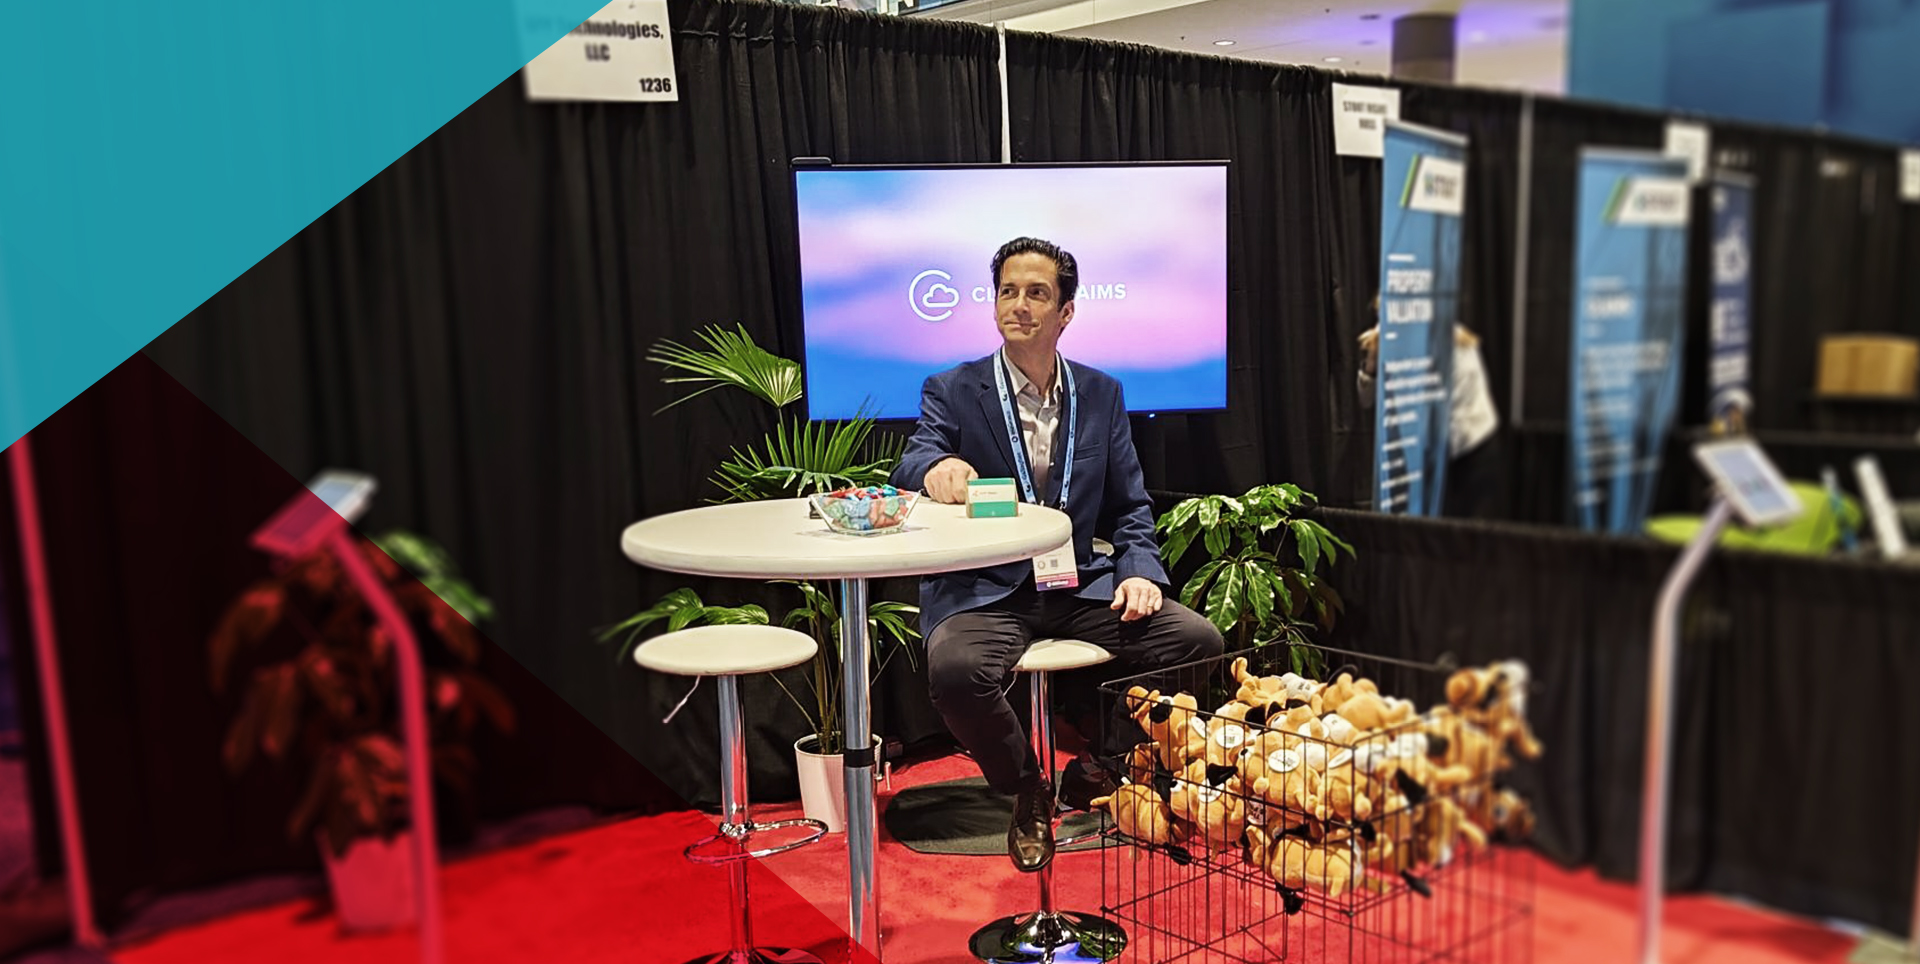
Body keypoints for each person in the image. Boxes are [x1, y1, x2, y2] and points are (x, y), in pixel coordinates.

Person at [892, 237, 1225, 873]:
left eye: (1037, 293)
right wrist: (936, 467)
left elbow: (1130, 506)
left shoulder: (1101, 394)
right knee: (956, 672)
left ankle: (1103, 763)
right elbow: (913, 458)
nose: (1018, 305)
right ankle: (1026, 791)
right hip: (985, 588)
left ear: (1066, 312)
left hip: (1075, 582)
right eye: (1008, 292)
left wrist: (1140, 573)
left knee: (1197, 641)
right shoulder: (953, 388)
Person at [1357, 294, 1502, 518]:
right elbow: (1366, 399)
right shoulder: (1395, 343)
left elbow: (1457, 421)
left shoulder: (1452, 342)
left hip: (1472, 449)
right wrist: (1372, 364)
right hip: (1435, 453)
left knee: (1470, 532)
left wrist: (1420, 452)